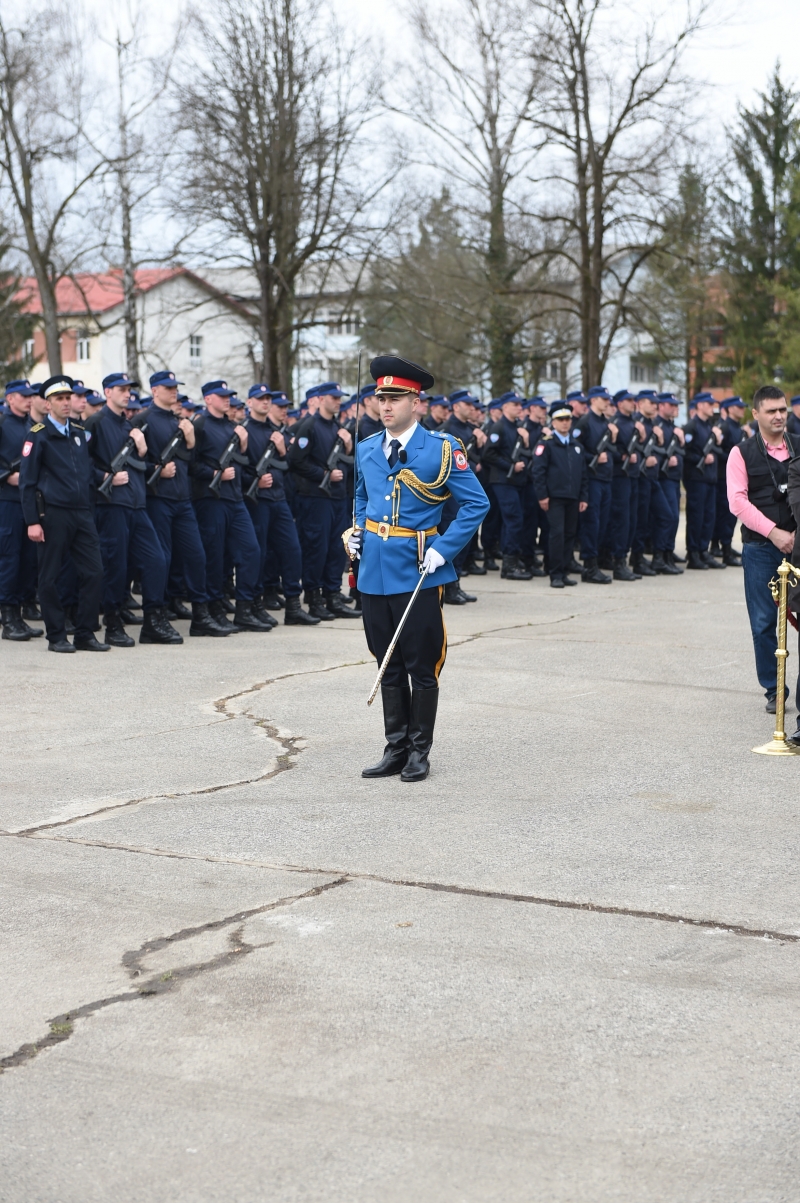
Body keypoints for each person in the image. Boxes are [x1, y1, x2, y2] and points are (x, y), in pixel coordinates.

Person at [348, 355, 489, 782]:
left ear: (416, 403)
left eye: (395, 399)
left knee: (421, 665)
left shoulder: (442, 449)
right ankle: (395, 747)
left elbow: (475, 503)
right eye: (381, 399)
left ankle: (418, 751)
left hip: (419, 568)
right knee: (386, 662)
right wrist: (355, 531)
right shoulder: (366, 448)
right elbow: (361, 497)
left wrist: (444, 549)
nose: (385, 406)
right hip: (373, 570)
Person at [87, 372, 181, 647]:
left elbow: (144, 465)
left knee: (156, 560)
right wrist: (104, 477)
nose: (127, 394)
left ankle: (152, 620)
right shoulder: (96, 423)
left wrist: (141, 448)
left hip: (137, 504)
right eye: (121, 389)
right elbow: (81, 463)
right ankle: (112, 624)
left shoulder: (130, 425)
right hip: (112, 505)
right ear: (107, 392)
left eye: (129, 390)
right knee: (116, 566)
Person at [136, 369, 228, 638]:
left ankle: (200, 615)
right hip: (158, 498)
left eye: (175, 387)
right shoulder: (143, 420)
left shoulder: (181, 421)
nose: (174, 391)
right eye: (168, 388)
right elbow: (133, 460)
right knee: (160, 559)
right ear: (155, 391)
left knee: (197, 556)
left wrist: (189, 440)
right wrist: (155, 469)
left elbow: (190, 461)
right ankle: (155, 616)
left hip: (182, 499)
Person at [18, 376, 107, 652]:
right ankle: (56, 636)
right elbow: (27, 482)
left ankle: (85, 633)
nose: (66, 402)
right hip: (53, 514)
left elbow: (86, 474)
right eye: (59, 398)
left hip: (81, 513)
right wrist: (33, 521)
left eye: (68, 397)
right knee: (49, 578)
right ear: (48, 404)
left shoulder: (78, 432)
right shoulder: (38, 434)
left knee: (94, 572)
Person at [729, 385, 798, 715]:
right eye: (771, 411)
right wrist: (774, 533)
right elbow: (737, 502)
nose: (779, 416)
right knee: (763, 622)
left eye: (783, 409)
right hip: (761, 549)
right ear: (755, 414)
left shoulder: (798, 445)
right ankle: (774, 688)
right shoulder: (740, 453)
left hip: (799, 547)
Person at [190, 379, 271, 632]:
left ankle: (244, 608)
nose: (227, 399)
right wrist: (214, 474)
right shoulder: (200, 425)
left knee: (251, 551)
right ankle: (213, 608)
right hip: (211, 499)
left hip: (235, 499)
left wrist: (243, 446)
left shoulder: (233, 426)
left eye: (228, 395)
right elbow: (191, 465)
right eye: (221, 395)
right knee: (214, 557)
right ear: (208, 399)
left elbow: (242, 461)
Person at [243, 384, 319, 626]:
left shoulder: (276, 432)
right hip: (258, 500)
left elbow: (287, 466)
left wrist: (281, 450)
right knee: (259, 554)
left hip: (279, 499)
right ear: (250, 403)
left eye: (268, 398)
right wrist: (253, 481)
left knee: (292, 550)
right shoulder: (244, 431)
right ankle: (255, 604)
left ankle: (293, 606)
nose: (265, 402)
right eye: (260, 398)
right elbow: (238, 467)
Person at [286, 381, 359, 620]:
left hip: (337, 497)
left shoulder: (338, 427)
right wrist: (323, 474)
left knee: (336, 550)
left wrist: (348, 446)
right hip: (315, 498)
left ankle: (332, 595)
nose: (338, 401)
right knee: (316, 549)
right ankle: (314, 598)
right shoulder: (309, 426)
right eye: (333, 397)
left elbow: (347, 460)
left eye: (339, 398)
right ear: (320, 399)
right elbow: (296, 461)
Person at [0, 379, 44, 639]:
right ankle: (8, 617)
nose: (29, 400)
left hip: (29, 502)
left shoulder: (32, 426)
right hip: (7, 501)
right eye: (24, 396)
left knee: (28, 560)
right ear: (10, 398)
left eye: (31, 396)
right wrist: (7, 476)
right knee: (9, 559)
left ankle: (19, 614)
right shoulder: (3, 424)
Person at [531, 401, 588, 588]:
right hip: (554, 497)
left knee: (570, 535)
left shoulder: (576, 446)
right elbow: (538, 472)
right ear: (553, 422)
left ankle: (564, 572)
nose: (565, 423)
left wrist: (583, 497)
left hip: (573, 497)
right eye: (560, 419)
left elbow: (583, 474)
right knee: (557, 534)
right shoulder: (546, 444)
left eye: (567, 419)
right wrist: (542, 496)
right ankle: (555, 573)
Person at [479, 391, 532, 580]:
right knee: (513, 520)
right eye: (515, 404)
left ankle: (512, 559)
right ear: (505, 407)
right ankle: (509, 566)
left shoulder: (517, 427)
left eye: (519, 404)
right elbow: (488, 454)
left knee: (513, 520)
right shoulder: (499, 427)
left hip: (515, 481)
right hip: (503, 480)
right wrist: (510, 466)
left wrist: (526, 441)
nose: (519, 407)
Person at [683, 391, 725, 570]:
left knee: (708, 517)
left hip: (710, 478)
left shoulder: (709, 427)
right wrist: (700, 458)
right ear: (699, 405)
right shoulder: (691, 427)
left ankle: (703, 550)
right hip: (696, 479)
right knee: (696, 517)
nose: (712, 407)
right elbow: (685, 452)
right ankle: (693, 553)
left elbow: (716, 450)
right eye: (709, 404)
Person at [576, 386, 614, 584]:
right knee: (591, 523)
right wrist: (593, 458)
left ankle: (595, 562)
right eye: (603, 399)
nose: (607, 402)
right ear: (593, 400)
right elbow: (576, 449)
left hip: (605, 478)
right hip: (592, 478)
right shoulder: (585, 422)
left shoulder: (605, 422)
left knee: (602, 523)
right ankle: (589, 566)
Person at [710, 396, 747, 566]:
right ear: (730, 409)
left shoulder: (737, 427)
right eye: (739, 407)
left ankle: (726, 546)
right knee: (725, 515)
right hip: (723, 477)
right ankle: (723, 549)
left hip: (735, 477)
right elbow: (716, 449)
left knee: (730, 516)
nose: (742, 410)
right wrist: (734, 458)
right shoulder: (725, 426)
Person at [654, 393, 685, 572]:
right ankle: (660, 556)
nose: (675, 408)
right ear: (661, 406)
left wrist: (681, 441)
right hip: (663, 479)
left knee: (674, 518)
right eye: (671, 405)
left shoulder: (672, 427)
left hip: (673, 479)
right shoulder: (657, 426)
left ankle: (668, 553)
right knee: (668, 517)